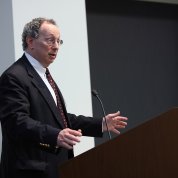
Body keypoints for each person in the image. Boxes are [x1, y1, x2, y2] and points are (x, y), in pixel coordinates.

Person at [0, 17, 128, 178]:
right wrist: (55, 135)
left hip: (54, 168)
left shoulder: (44, 75)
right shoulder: (14, 76)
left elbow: (58, 119)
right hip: (30, 171)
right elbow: (16, 122)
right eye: (50, 40)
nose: (56, 47)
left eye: (59, 41)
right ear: (31, 41)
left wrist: (100, 124)